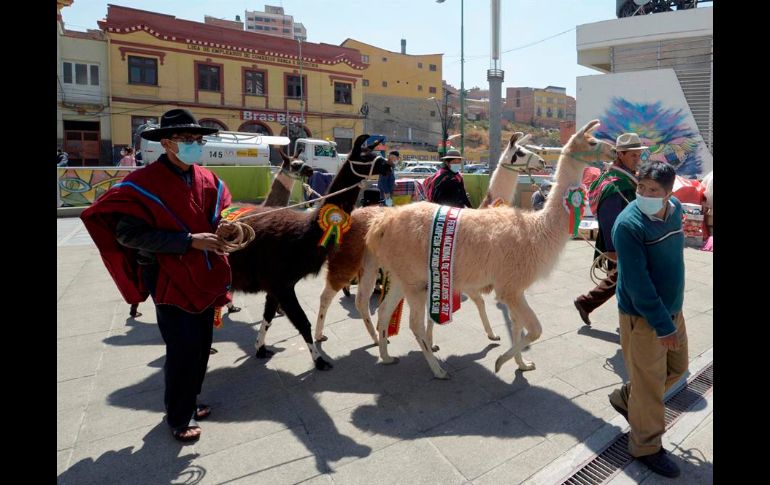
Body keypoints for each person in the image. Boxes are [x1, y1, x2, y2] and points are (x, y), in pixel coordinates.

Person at [80, 108, 232, 443]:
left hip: (205, 273)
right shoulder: (141, 184)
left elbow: (219, 213)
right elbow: (128, 235)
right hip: (167, 275)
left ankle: (190, 399)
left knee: (203, 344)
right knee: (181, 348)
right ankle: (178, 416)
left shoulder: (207, 179)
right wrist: (188, 241)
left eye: (196, 140)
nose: (193, 145)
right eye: (185, 140)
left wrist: (223, 226)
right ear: (166, 143)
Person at [608, 160, 688, 478]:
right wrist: (663, 325)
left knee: (677, 369)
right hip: (644, 318)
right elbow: (637, 284)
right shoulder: (628, 225)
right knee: (651, 386)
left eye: (653, 189)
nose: (644, 193)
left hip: (673, 308)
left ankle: (628, 397)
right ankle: (645, 447)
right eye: (641, 187)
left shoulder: (677, 210)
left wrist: (672, 314)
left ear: (669, 193)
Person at [573, 132, 644, 326]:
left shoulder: (625, 178)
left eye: (639, 155)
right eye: (633, 155)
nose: (638, 159)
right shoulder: (614, 184)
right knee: (625, 281)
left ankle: (586, 303)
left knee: (621, 281)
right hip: (619, 243)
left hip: (630, 241)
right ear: (620, 154)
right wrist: (613, 250)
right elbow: (609, 219)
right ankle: (629, 322)